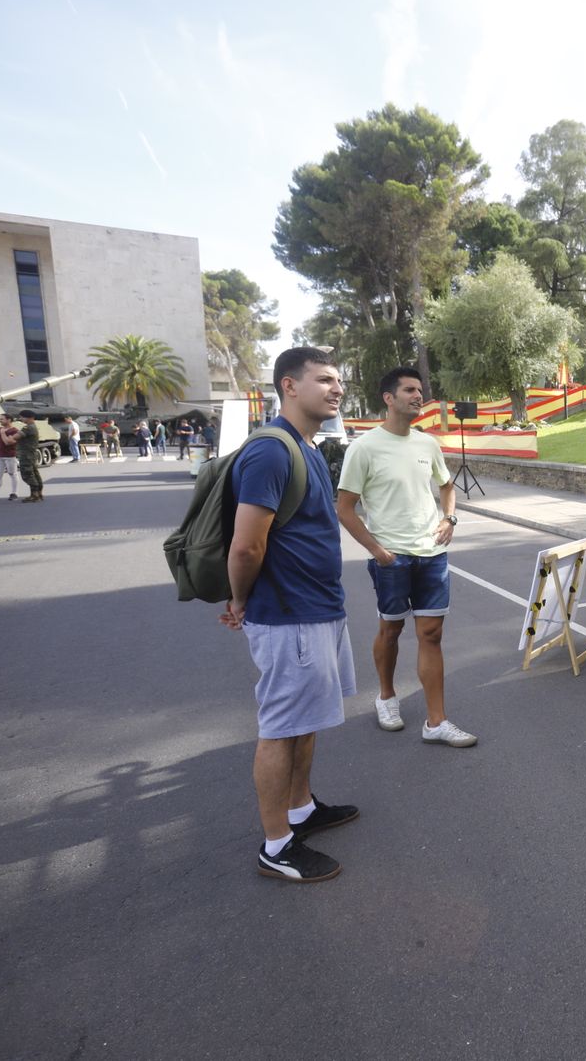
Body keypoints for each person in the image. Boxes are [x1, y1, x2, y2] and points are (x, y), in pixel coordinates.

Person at [221, 346, 359, 884]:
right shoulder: (271, 451)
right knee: (281, 728)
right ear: (289, 386)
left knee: (305, 719)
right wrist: (239, 600)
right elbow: (246, 547)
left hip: (317, 610)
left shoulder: (307, 447)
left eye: (338, 381)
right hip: (289, 615)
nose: (336, 388)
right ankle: (276, 845)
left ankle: (301, 808)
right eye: (324, 379)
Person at [336, 366, 475, 748]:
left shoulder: (427, 444)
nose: (418, 396)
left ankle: (436, 722)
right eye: (410, 390)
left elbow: (447, 486)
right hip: (391, 558)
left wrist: (449, 518)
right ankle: (386, 697)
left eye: (419, 390)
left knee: (431, 634)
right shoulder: (364, 448)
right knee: (391, 630)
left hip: (432, 555)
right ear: (389, 398)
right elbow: (345, 508)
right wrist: (378, 551)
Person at [14, 410, 44, 502]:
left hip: (26, 454)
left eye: (22, 417)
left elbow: (15, 437)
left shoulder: (28, 428)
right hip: (30, 454)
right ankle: (38, 493)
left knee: (27, 474)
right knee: (34, 473)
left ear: (29, 417)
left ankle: (35, 495)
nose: (21, 419)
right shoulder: (32, 426)